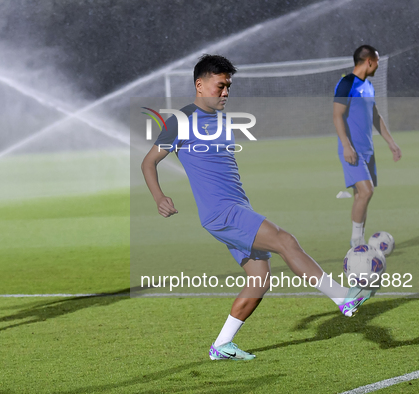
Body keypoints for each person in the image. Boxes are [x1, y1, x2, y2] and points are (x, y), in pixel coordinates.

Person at [141, 54, 372, 361]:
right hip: (222, 213)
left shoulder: (221, 119)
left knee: (260, 279)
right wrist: (159, 197)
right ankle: (343, 297)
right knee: (286, 241)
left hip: (235, 208)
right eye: (220, 86)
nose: (225, 92)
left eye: (229, 87)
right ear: (200, 84)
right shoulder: (181, 121)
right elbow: (149, 162)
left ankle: (221, 345)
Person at [333, 45, 401, 247]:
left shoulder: (368, 86)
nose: (378, 65)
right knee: (366, 191)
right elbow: (337, 115)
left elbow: (375, 116)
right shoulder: (346, 83)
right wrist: (346, 145)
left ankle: (360, 240)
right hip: (352, 150)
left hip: (367, 150)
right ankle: (356, 242)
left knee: (361, 196)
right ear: (369, 61)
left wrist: (391, 143)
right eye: (377, 61)